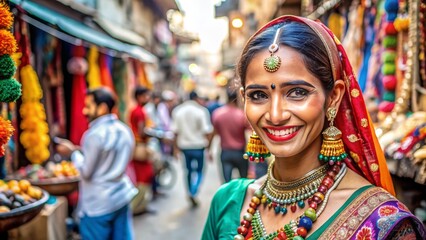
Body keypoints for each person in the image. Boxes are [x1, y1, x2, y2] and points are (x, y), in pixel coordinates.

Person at [202, 16, 426, 239]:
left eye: (297, 92)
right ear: (244, 100)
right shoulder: (227, 203)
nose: (275, 115)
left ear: (334, 97)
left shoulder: (381, 221)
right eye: (258, 95)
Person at [55, 87, 137, 240]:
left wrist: (73, 153)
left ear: (102, 108)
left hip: (98, 204)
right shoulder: (124, 130)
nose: (84, 111)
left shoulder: (93, 135)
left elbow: (86, 171)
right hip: (120, 196)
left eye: (88, 106)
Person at [171, 90, 213, 207]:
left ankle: (190, 190)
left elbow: (175, 132)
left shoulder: (178, 111)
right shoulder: (201, 111)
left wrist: (175, 149)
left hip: (184, 146)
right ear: (196, 98)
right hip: (198, 146)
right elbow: (207, 130)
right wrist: (208, 147)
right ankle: (194, 191)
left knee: (188, 170)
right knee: (199, 170)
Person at [128, 86, 156, 213]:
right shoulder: (139, 112)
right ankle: (134, 207)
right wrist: (155, 134)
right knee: (144, 177)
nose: (147, 99)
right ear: (139, 97)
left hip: (139, 146)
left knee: (144, 176)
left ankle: (140, 206)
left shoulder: (137, 110)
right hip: (140, 147)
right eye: (145, 96)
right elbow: (142, 131)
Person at [212, 87, 249, 183]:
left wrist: (209, 149)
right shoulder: (241, 115)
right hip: (240, 152)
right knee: (243, 182)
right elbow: (250, 132)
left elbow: (214, 132)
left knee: (226, 183)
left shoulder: (217, 113)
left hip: (225, 152)